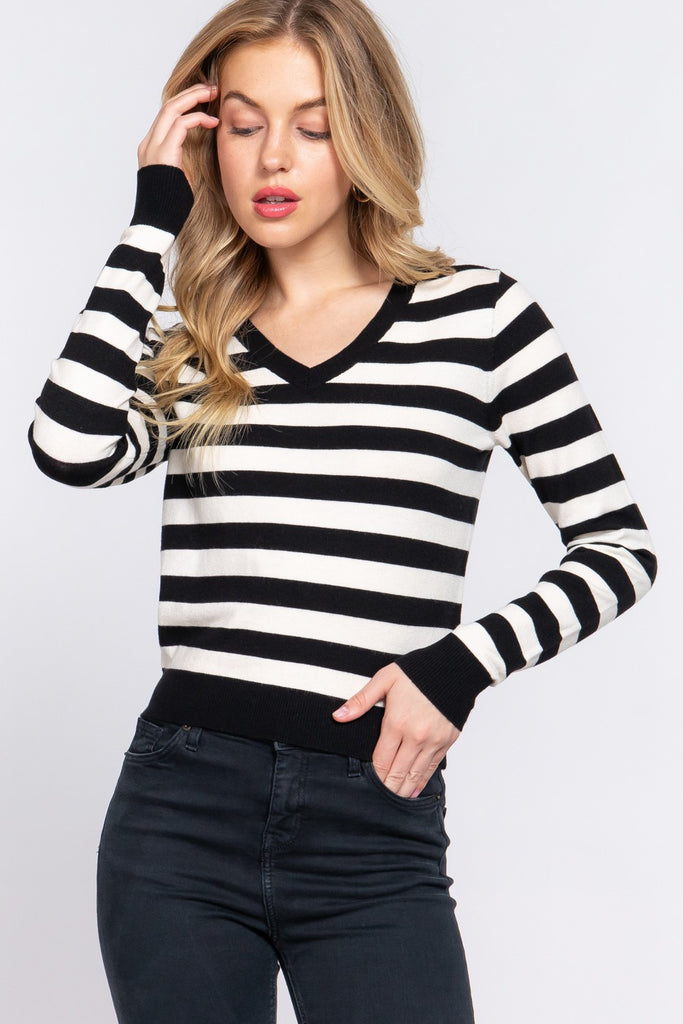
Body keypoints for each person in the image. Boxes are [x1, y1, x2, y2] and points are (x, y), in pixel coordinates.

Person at [27, 0, 657, 1021]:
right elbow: (66, 447)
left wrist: (458, 666)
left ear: (365, 136)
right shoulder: (196, 333)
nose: (273, 156)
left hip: (373, 823)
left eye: (313, 126)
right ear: (206, 137)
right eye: (242, 124)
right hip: (178, 813)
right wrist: (153, 215)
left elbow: (618, 548)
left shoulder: (482, 319)